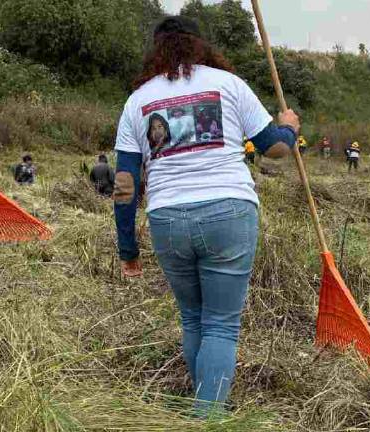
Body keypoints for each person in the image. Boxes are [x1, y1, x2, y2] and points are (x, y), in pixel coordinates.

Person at [113, 16, 298, 414]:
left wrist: (127, 247)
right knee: (220, 325)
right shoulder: (228, 84)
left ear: (155, 49)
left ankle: (204, 405)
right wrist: (289, 128)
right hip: (228, 211)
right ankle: (208, 418)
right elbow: (274, 150)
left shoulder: (138, 101)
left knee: (193, 320)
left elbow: (125, 185)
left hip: (167, 218)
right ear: (200, 45)